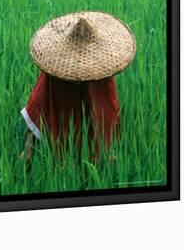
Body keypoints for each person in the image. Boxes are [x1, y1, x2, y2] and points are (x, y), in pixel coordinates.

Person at [20, 12, 136, 162]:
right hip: (62, 92)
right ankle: (95, 154)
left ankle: (97, 153)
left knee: (95, 101)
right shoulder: (54, 75)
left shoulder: (99, 78)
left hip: (83, 92)